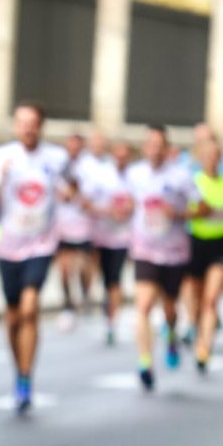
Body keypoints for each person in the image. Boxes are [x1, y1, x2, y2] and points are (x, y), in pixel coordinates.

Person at [0, 103, 70, 412]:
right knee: (13, 317)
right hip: (9, 245)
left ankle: (25, 377)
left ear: (41, 126)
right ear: (15, 126)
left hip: (42, 244)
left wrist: (70, 193)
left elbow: (70, 187)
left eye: (33, 123)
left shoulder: (56, 158)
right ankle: (17, 367)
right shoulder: (2, 156)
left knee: (30, 308)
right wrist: (2, 180)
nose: (28, 129)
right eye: (22, 123)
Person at [127, 125, 204, 391]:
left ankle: (171, 334)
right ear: (145, 147)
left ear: (166, 148)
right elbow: (128, 204)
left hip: (174, 253)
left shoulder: (181, 176)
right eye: (150, 144)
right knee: (144, 305)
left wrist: (180, 215)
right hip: (145, 250)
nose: (155, 150)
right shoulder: (134, 174)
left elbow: (201, 207)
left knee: (169, 308)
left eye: (160, 145)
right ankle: (145, 361)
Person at [182, 135, 223, 375]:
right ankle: (195, 329)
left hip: (221, 245)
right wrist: (197, 214)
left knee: (211, 299)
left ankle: (204, 348)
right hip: (195, 244)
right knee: (196, 301)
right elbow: (183, 212)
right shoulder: (192, 182)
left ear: (220, 159)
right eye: (206, 156)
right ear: (200, 158)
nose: (211, 160)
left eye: (215, 156)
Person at [86, 141, 136, 346]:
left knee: (115, 279)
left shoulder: (136, 177)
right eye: (119, 156)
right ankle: (106, 308)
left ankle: (111, 322)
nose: (122, 160)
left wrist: (129, 209)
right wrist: (108, 211)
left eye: (125, 156)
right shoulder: (101, 175)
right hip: (102, 235)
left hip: (123, 237)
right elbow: (86, 203)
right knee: (104, 279)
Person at [54, 132, 97, 330]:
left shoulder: (90, 167)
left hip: (83, 227)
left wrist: (77, 193)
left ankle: (86, 294)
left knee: (81, 268)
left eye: (76, 146)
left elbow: (92, 195)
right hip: (62, 226)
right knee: (63, 269)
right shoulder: (57, 164)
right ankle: (67, 305)